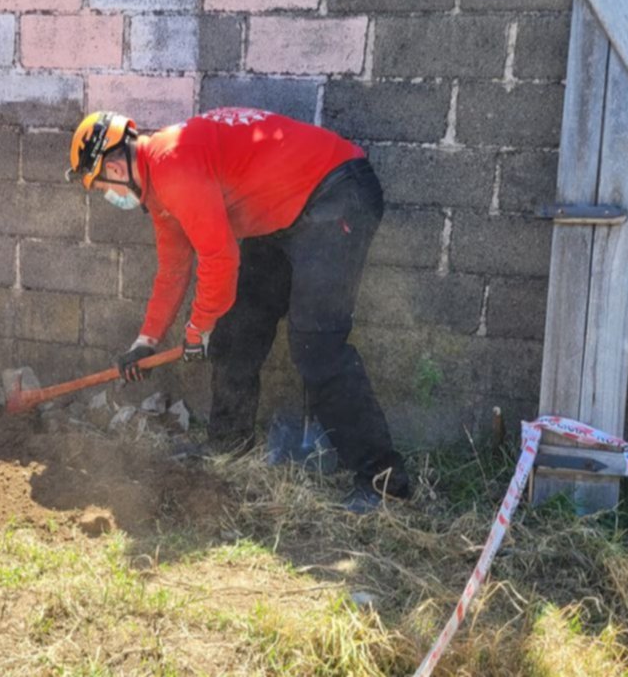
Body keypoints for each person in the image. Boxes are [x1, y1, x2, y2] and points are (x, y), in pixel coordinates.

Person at [65, 108, 410, 511]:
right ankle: (228, 447)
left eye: (99, 184)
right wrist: (147, 340)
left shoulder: (173, 166)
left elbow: (219, 258)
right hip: (283, 211)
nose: (107, 195)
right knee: (238, 331)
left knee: (317, 345)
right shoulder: (157, 187)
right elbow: (175, 267)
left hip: (335, 192)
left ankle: (383, 483)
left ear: (115, 166)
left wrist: (198, 329)